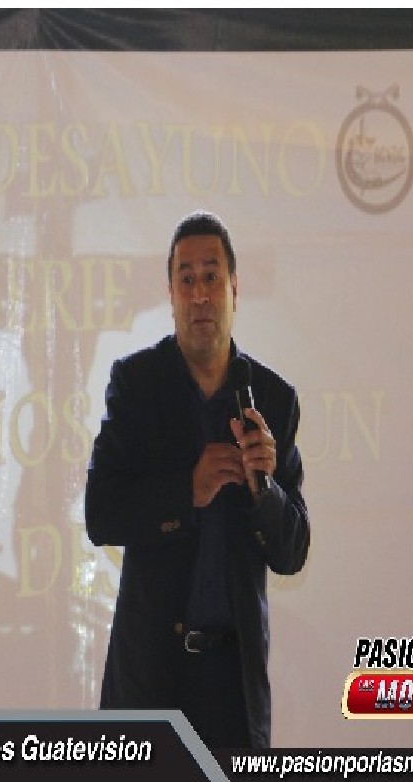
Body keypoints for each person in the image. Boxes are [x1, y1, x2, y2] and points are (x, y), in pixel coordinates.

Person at [85, 210, 310, 749]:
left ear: (234, 290)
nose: (200, 294)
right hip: (150, 681)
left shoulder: (273, 399)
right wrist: (188, 490)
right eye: (187, 279)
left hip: (233, 686)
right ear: (171, 294)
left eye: (212, 277)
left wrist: (265, 490)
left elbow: (292, 552)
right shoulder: (137, 385)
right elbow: (101, 514)